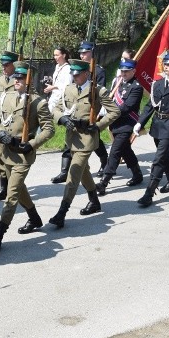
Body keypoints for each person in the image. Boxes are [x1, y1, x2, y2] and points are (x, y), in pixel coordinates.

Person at [0, 61, 55, 252]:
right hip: (7, 152)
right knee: (19, 188)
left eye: (21, 78)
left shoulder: (38, 102)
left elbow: (49, 130)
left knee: (11, 194)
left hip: (23, 155)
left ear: (29, 80)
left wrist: (31, 144)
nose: (16, 80)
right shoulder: (7, 97)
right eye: (16, 77)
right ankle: (34, 217)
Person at [49, 59, 119, 228]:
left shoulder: (96, 90)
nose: (74, 77)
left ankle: (62, 212)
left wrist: (98, 125)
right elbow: (57, 109)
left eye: (78, 74)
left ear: (86, 74)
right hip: (71, 138)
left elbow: (115, 111)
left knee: (73, 174)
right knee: (84, 172)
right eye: (73, 74)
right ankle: (94, 201)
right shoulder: (69, 88)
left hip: (87, 139)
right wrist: (63, 119)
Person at [133, 52, 169, 207]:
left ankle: (149, 193)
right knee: (165, 157)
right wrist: (140, 123)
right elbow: (150, 106)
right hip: (157, 124)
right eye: (165, 64)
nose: (166, 67)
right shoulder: (157, 84)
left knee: (158, 159)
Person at [95, 58, 144, 195]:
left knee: (115, 152)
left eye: (127, 71)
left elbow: (127, 107)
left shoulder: (137, 87)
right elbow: (110, 100)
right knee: (125, 150)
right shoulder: (117, 83)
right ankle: (137, 174)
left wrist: (108, 113)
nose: (123, 74)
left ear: (133, 71)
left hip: (127, 124)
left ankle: (104, 182)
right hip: (115, 123)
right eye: (122, 71)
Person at [0, 50, 19, 202]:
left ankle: (15, 186)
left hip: (15, 124)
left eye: (6, 65)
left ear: (14, 65)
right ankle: (3, 187)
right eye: (2, 65)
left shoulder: (21, 80)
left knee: (13, 157)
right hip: (1, 123)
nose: (3, 68)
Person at [77, 41, 109, 176]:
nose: (82, 55)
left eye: (85, 53)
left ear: (91, 52)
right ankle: (70, 168)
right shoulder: (79, 69)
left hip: (93, 108)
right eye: (81, 53)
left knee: (93, 136)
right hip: (79, 107)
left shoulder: (99, 71)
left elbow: (99, 92)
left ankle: (104, 160)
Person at [44, 47, 72, 183]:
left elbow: (66, 86)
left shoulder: (67, 69)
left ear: (64, 55)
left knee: (48, 123)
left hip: (62, 100)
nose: (55, 57)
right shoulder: (57, 67)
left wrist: (52, 87)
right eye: (54, 55)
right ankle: (35, 141)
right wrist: (51, 86)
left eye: (57, 55)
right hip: (54, 98)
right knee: (45, 121)